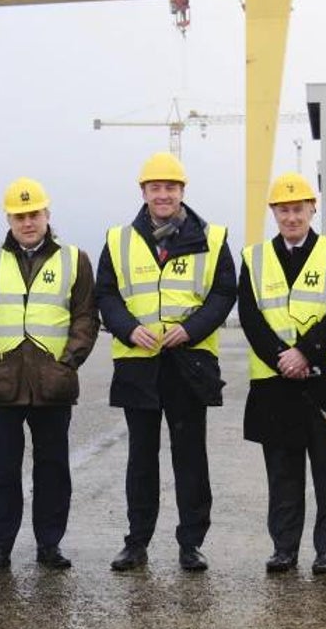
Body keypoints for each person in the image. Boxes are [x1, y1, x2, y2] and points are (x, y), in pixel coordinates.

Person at [96, 152, 236, 573]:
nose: (163, 195)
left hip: (189, 364)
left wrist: (191, 329)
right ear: (143, 192)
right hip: (140, 364)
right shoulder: (119, 239)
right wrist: (126, 328)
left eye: (170, 188)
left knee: (190, 458)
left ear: (182, 192)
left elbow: (224, 292)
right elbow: (106, 293)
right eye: (155, 188)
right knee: (141, 458)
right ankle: (136, 542)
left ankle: (191, 543)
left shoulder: (211, 238)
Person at [0, 177, 99, 575]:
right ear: (8, 218)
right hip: (2, 383)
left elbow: (86, 316)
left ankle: (49, 544)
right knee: (2, 470)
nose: (27, 222)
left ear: (47, 215)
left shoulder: (74, 259)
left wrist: (68, 361)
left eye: (34, 214)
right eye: (19, 216)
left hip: (53, 382)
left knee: (53, 467)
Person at [239, 173, 326, 575]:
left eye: (299, 209)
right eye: (284, 210)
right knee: (283, 475)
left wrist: (305, 352)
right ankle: (284, 548)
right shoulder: (253, 259)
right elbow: (251, 318)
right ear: (274, 212)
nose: (292, 217)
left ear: (313, 209)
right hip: (276, 385)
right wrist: (281, 358)